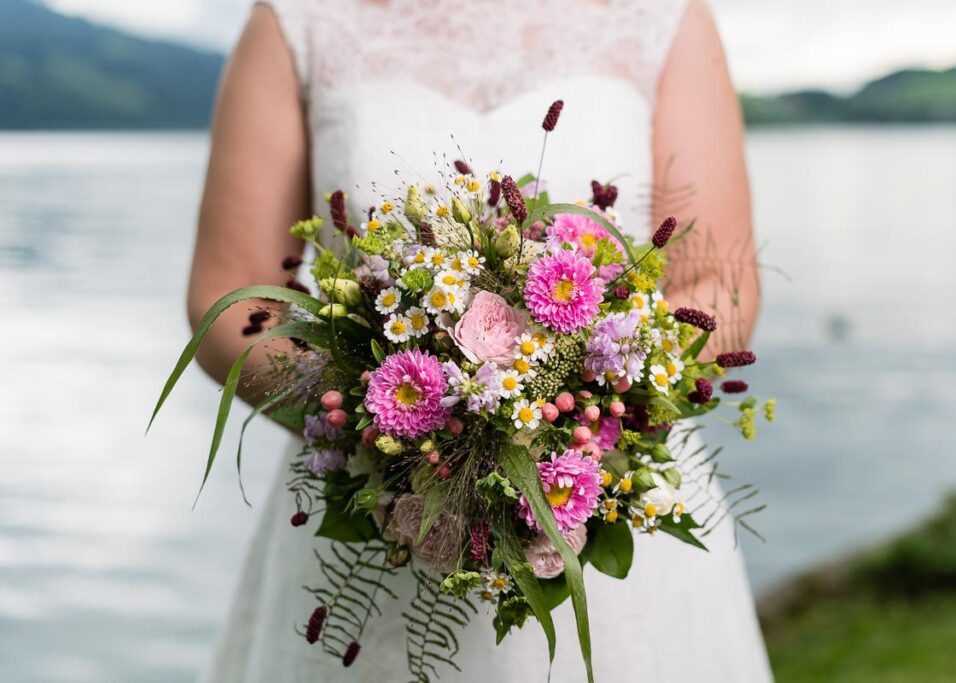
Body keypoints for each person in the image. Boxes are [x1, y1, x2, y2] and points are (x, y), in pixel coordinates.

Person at [190, 1, 770, 680]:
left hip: (602, 503)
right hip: (380, 516)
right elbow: (227, 296)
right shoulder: (298, 19)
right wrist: (384, 425)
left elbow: (715, 283)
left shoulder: (660, 16)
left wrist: (592, 409)